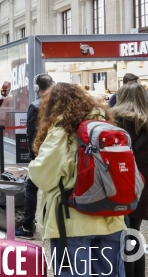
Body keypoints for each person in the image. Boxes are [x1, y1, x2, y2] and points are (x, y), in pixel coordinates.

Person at [28, 83, 126, 276]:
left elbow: (43, 176)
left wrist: (32, 167)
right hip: (112, 218)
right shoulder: (106, 126)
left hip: (73, 223)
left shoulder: (63, 132)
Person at [111, 83, 148, 277]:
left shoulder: (115, 122)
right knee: (134, 231)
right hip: (143, 188)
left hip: (120, 185)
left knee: (122, 234)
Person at [16, 73, 54, 239]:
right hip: (58, 153)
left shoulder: (35, 105)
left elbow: (31, 133)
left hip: (41, 153)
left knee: (31, 188)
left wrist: (33, 156)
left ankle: (27, 227)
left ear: (37, 88)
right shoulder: (61, 103)